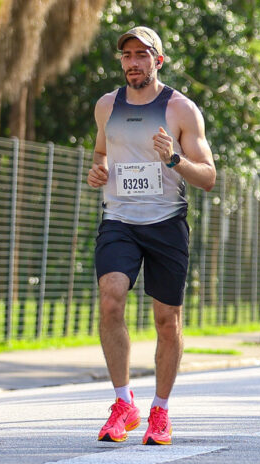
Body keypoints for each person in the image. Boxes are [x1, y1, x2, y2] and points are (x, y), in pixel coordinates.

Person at [87, 26, 216, 445]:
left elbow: (209, 177)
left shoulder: (181, 110)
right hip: (119, 220)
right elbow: (101, 152)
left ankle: (160, 410)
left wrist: (174, 159)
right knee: (110, 299)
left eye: (142, 55)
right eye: (127, 55)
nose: (133, 63)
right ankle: (124, 403)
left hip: (166, 225)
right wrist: (98, 171)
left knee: (167, 320)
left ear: (158, 61)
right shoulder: (107, 107)